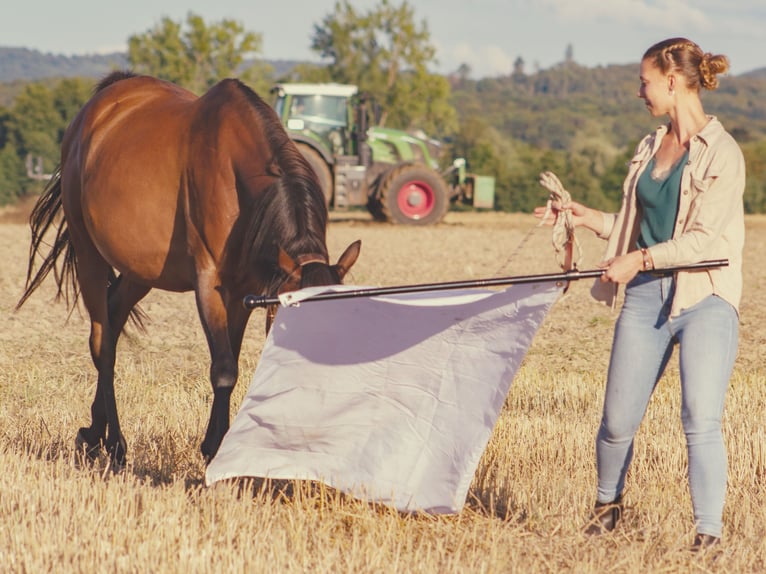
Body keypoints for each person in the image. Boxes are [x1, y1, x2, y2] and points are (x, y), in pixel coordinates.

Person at [535, 37, 745, 550]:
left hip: (706, 298)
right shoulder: (651, 146)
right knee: (616, 420)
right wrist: (587, 218)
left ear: (672, 82)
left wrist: (641, 259)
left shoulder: (724, 152)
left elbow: (701, 241)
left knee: (700, 417)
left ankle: (708, 536)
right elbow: (636, 230)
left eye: (645, 82)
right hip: (647, 296)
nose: (639, 91)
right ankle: (606, 509)